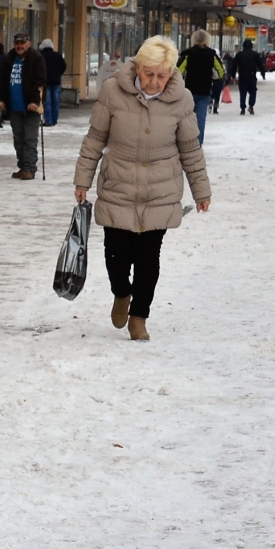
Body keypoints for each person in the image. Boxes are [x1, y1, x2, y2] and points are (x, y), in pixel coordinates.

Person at [72, 36, 212, 341]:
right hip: (118, 187)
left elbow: (190, 149)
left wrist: (201, 191)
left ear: (172, 74)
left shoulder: (182, 99)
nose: (154, 81)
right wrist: (82, 180)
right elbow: (95, 139)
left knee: (149, 259)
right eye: (148, 73)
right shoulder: (112, 92)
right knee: (116, 257)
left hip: (160, 192)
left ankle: (140, 316)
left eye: (162, 76)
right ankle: (121, 293)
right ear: (138, 67)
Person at [0, 32, 47, 179]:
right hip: (14, 107)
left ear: (28, 43)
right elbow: (2, 82)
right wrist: (0, 99)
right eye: (17, 43)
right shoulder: (9, 58)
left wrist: (35, 102)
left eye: (22, 43)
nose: (19, 46)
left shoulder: (36, 58)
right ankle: (23, 166)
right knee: (18, 140)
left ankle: (29, 169)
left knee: (29, 139)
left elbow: (40, 82)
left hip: (31, 108)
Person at [176, 29, 224, 144]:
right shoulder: (212, 55)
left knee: (186, 119)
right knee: (200, 119)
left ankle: (185, 141)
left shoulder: (187, 54)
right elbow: (220, 73)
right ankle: (198, 144)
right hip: (204, 91)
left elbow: (178, 71)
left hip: (189, 91)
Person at [39, 38, 68, 126]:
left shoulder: (41, 56)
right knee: (55, 102)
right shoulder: (57, 55)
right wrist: (58, 74)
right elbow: (63, 66)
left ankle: (48, 120)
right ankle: (54, 119)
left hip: (45, 82)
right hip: (56, 82)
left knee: (47, 102)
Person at [231, 39, 265, 115]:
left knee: (242, 93)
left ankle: (242, 108)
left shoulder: (239, 54)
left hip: (242, 76)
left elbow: (234, 65)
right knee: (253, 92)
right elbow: (260, 65)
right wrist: (263, 73)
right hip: (252, 76)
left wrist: (233, 75)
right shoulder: (255, 54)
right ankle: (251, 105)